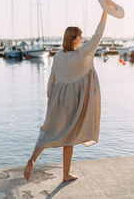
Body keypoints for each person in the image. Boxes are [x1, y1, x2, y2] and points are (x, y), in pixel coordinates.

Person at [24, 10, 107, 183]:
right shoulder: (81, 54)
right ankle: (65, 175)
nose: (83, 38)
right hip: (72, 100)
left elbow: (51, 80)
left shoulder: (58, 56)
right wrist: (105, 13)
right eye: (80, 36)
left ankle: (33, 159)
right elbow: (97, 36)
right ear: (73, 39)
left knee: (48, 130)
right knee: (68, 138)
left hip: (56, 98)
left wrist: (50, 100)